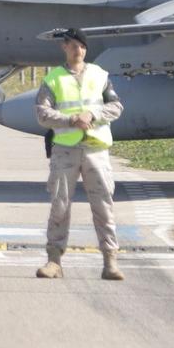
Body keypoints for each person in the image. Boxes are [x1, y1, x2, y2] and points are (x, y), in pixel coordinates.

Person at [34, 29, 123, 280]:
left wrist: (92, 116)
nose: (78, 50)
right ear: (64, 47)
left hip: (96, 149)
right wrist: (71, 119)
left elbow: (115, 106)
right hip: (65, 149)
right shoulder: (54, 79)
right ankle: (54, 261)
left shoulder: (99, 75)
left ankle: (110, 262)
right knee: (60, 204)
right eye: (73, 45)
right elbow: (42, 113)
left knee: (104, 205)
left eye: (82, 46)